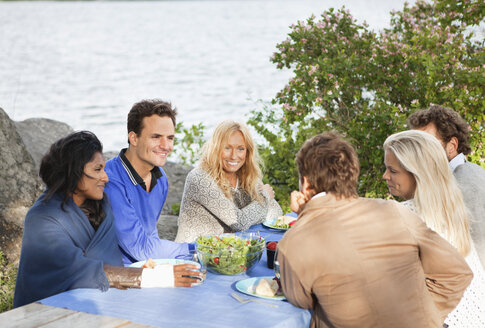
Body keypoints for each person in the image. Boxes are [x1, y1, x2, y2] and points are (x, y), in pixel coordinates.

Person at [277, 131, 472, 328]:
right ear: (352, 175)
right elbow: (456, 273)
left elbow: (300, 300)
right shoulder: (395, 211)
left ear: (306, 182)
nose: (385, 175)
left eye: (392, 170)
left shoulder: (294, 241)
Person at [14, 132, 201, 308]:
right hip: (48, 311)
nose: (105, 177)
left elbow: (114, 257)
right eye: (97, 169)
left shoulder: (100, 204)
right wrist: (156, 277)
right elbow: (80, 271)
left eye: (104, 168)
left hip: (102, 301)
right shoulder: (42, 218)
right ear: (73, 172)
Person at [383, 130, 485, 327]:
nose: (385, 176)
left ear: (418, 173)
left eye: (392, 171)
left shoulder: (404, 216)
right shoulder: (452, 212)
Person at [104, 99, 193, 264]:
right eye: (156, 137)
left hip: (144, 268)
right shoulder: (111, 181)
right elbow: (139, 247)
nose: (165, 146)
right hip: (111, 275)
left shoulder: (161, 180)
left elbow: (150, 235)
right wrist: (196, 249)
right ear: (134, 138)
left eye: (170, 138)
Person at [175, 120, 282, 242]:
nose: (233, 156)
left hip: (228, 252)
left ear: (247, 152)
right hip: (192, 253)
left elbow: (276, 213)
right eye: (227, 148)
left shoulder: (246, 175)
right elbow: (238, 222)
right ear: (216, 148)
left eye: (240, 149)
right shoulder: (199, 177)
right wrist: (265, 197)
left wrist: (256, 210)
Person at [408, 105, 485, 267]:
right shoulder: (469, 174)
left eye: (427, 144)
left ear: (452, 146)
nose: (419, 152)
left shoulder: (463, 185)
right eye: (416, 145)